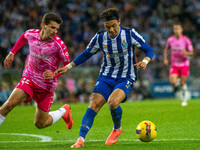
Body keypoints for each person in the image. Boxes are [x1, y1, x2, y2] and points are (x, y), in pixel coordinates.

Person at [44, 8, 154, 148]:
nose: (111, 30)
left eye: (114, 26)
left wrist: (145, 61)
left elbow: (149, 50)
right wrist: (68, 66)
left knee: (113, 102)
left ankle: (116, 128)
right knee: (93, 104)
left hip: (125, 77)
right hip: (106, 76)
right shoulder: (100, 37)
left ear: (119, 22)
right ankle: (80, 139)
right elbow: (86, 53)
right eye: (108, 27)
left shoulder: (130, 34)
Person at [0, 13, 73, 130]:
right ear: (43, 25)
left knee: (40, 124)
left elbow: (67, 65)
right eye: (52, 27)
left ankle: (63, 111)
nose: (55, 31)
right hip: (29, 78)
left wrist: (54, 74)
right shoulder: (32, 34)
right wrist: (12, 52)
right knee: (9, 105)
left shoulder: (59, 45)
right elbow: (24, 36)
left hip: (46, 86)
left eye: (57, 29)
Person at [164, 23, 193, 106]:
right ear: (173, 30)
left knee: (183, 81)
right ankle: (184, 90)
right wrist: (165, 58)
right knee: (173, 82)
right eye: (175, 29)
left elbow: (191, 52)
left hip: (184, 64)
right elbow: (166, 49)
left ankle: (184, 99)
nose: (176, 31)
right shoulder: (170, 40)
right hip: (174, 65)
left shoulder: (186, 40)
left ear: (181, 30)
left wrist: (186, 52)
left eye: (178, 29)